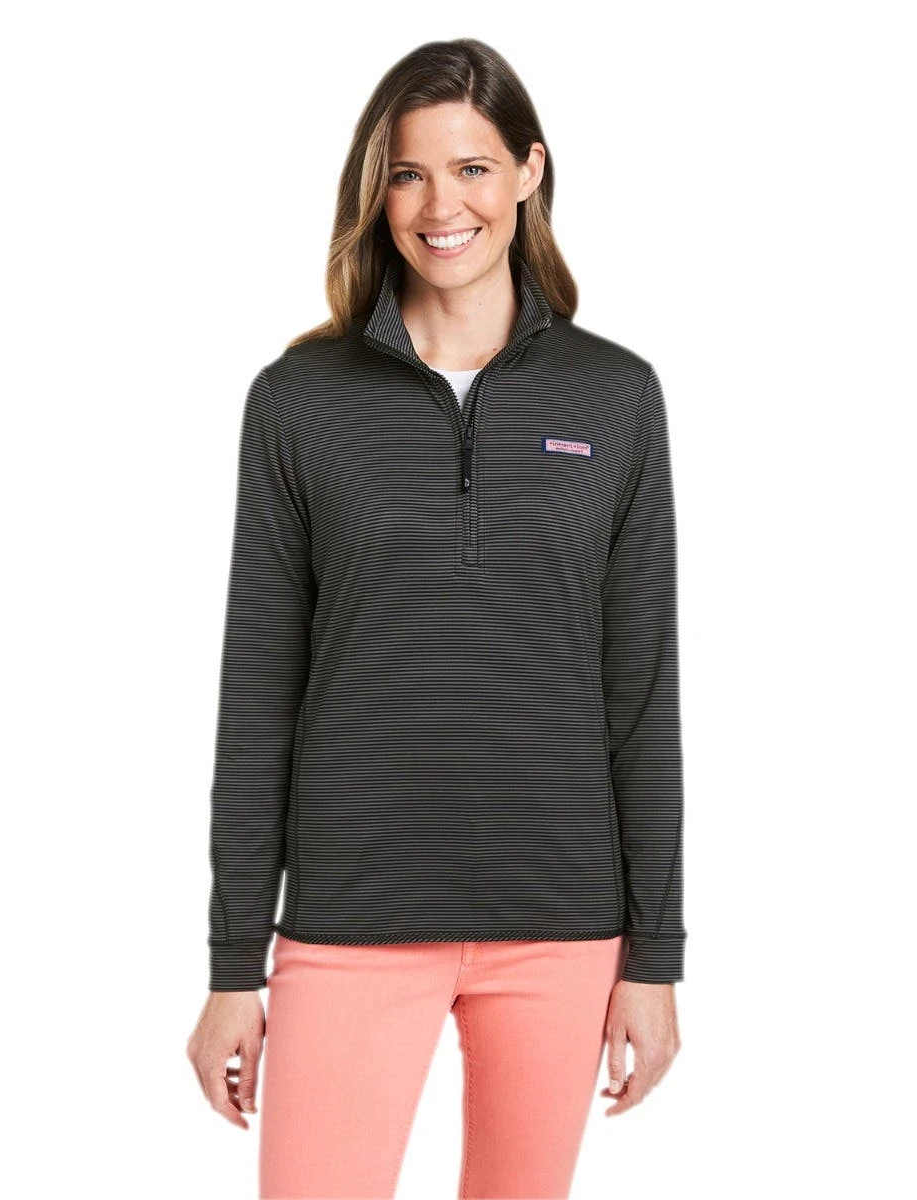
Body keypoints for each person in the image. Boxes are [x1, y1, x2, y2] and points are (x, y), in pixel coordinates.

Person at [187, 37, 686, 1200]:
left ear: (529, 172)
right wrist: (232, 966)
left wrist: (655, 956)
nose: (439, 206)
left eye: (472, 169)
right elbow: (258, 696)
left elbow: (641, 692)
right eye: (408, 174)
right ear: (378, 191)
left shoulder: (617, 396)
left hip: (561, 926)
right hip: (351, 921)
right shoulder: (299, 402)